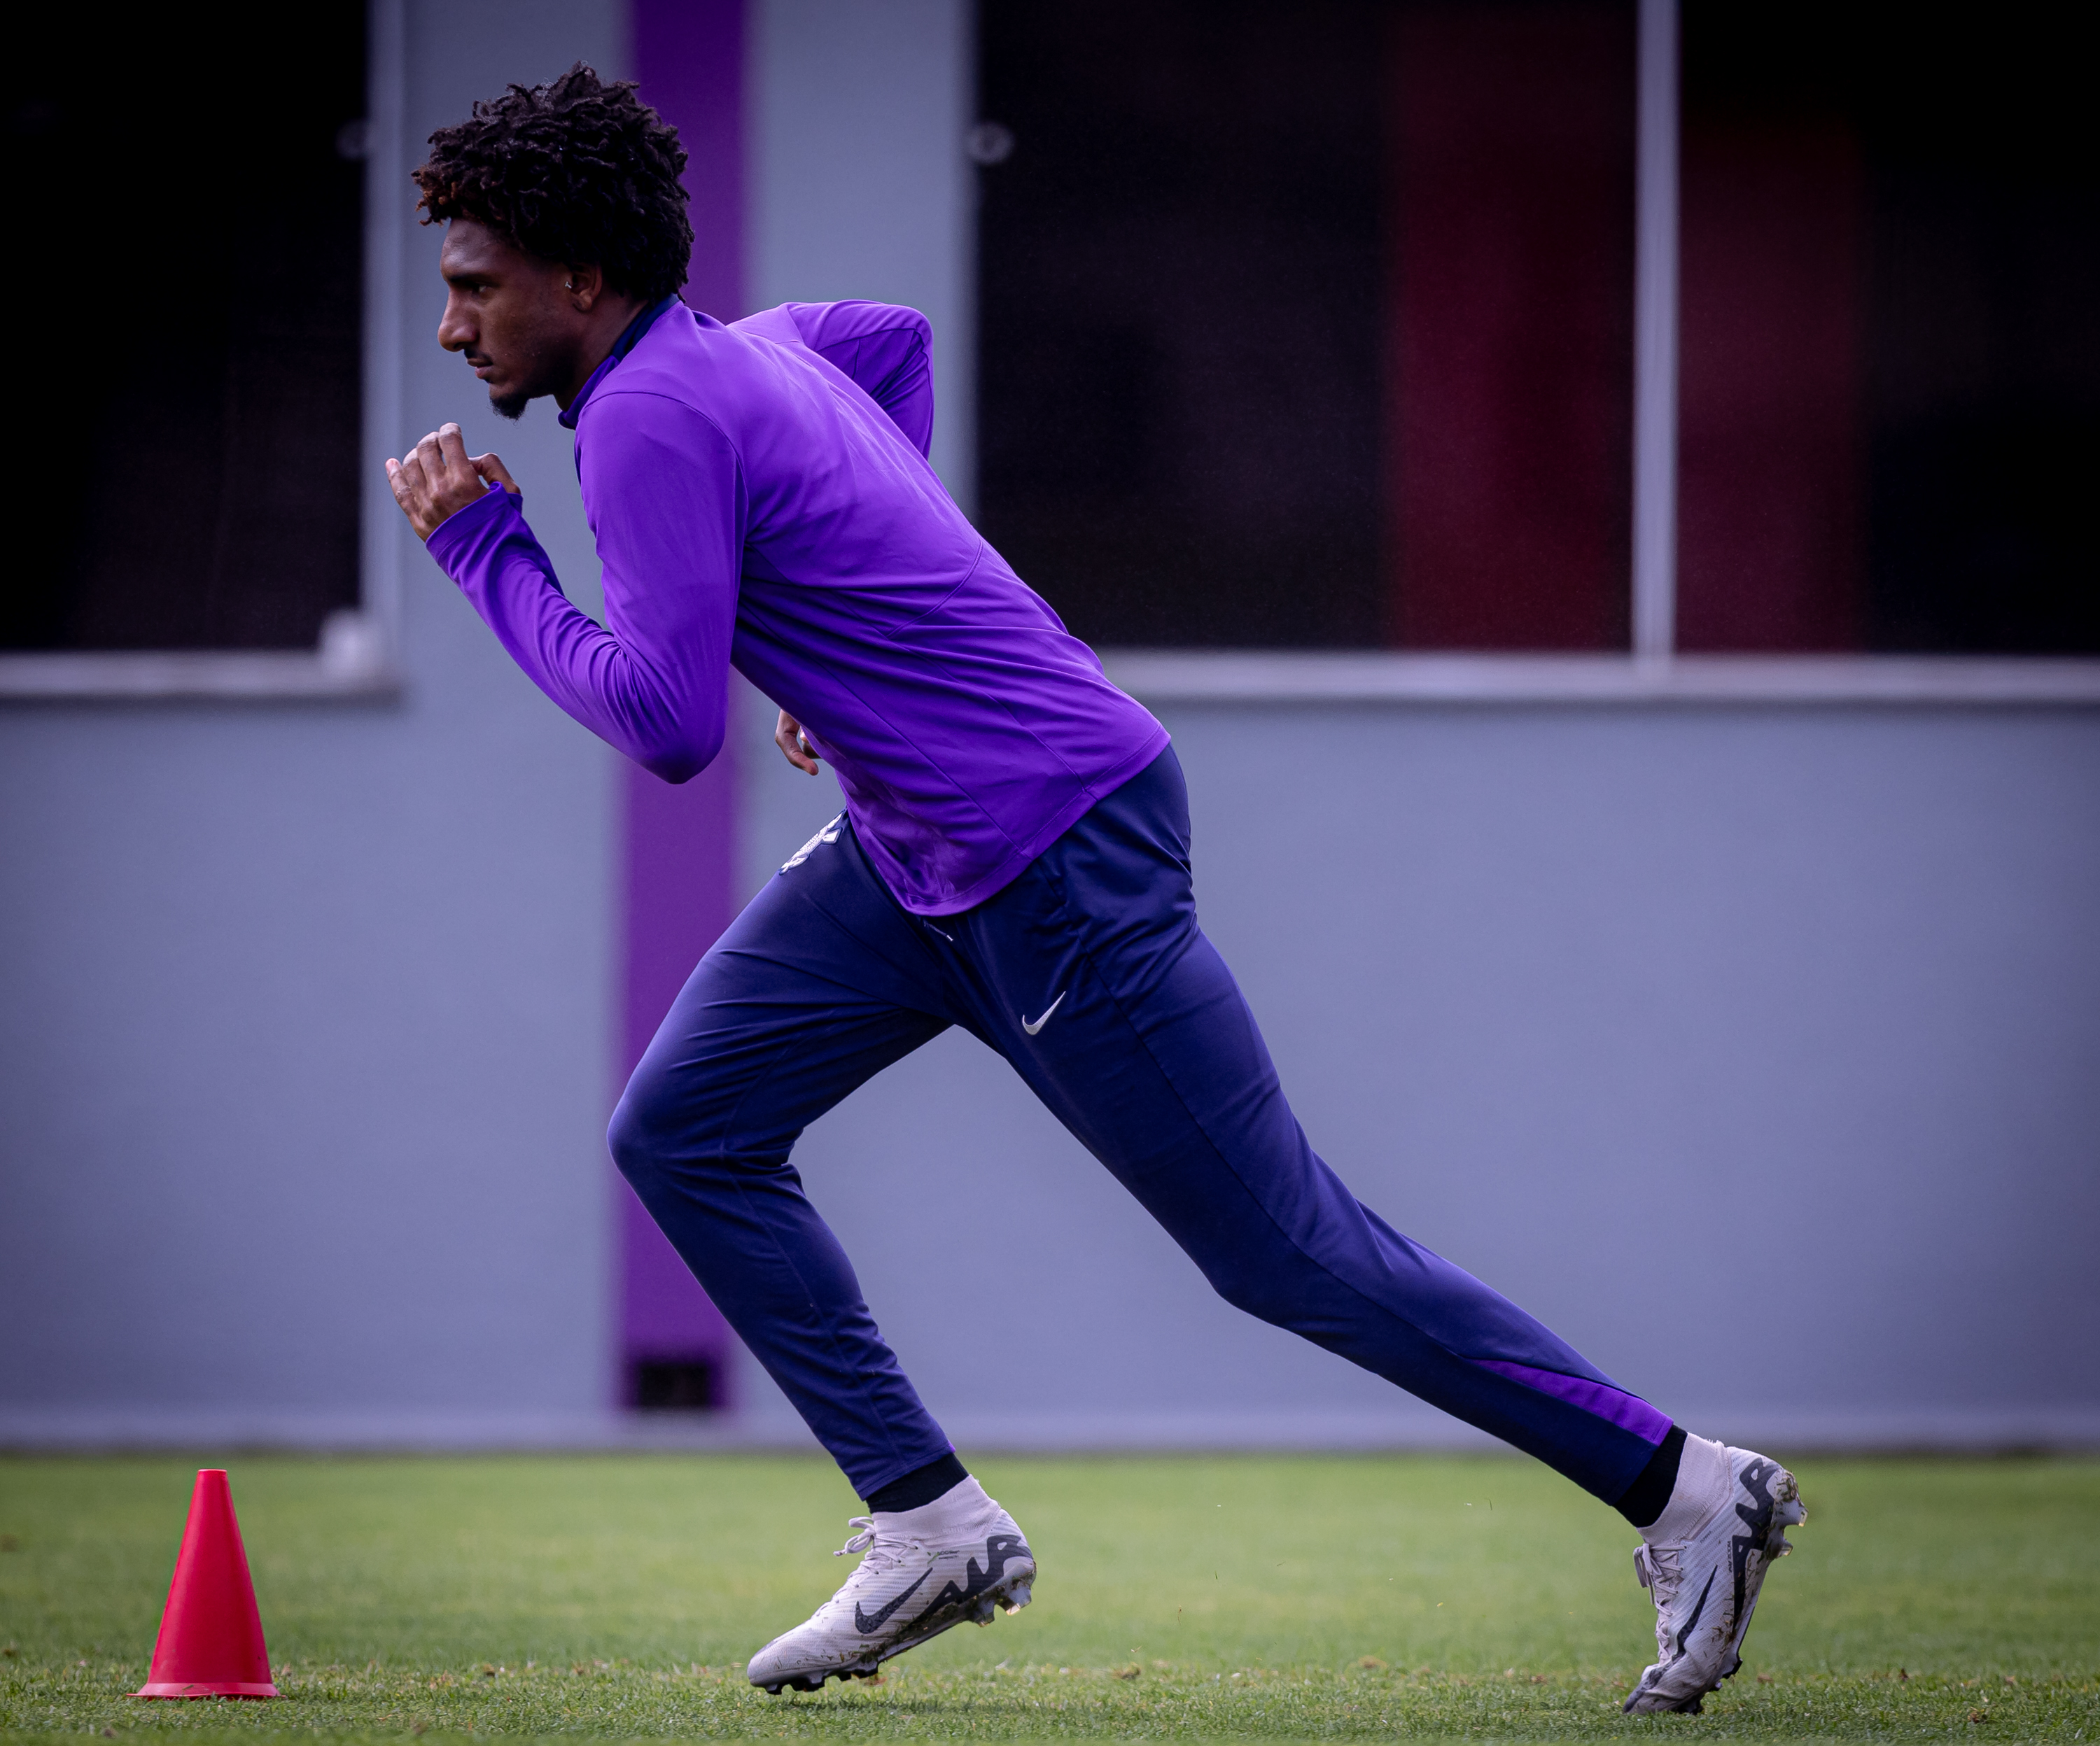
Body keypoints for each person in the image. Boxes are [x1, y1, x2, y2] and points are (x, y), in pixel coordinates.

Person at [386, 65, 1805, 1712]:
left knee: (1290, 1253)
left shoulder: (645, 417)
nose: (452, 328)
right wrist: (855, 621)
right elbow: (896, 341)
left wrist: (488, 557)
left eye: (474, 286)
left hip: (1053, 847)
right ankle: (927, 1523)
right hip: (920, 852)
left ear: (578, 277)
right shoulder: (756, 351)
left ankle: (1693, 1490)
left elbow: (665, 723)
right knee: (683, 1131)